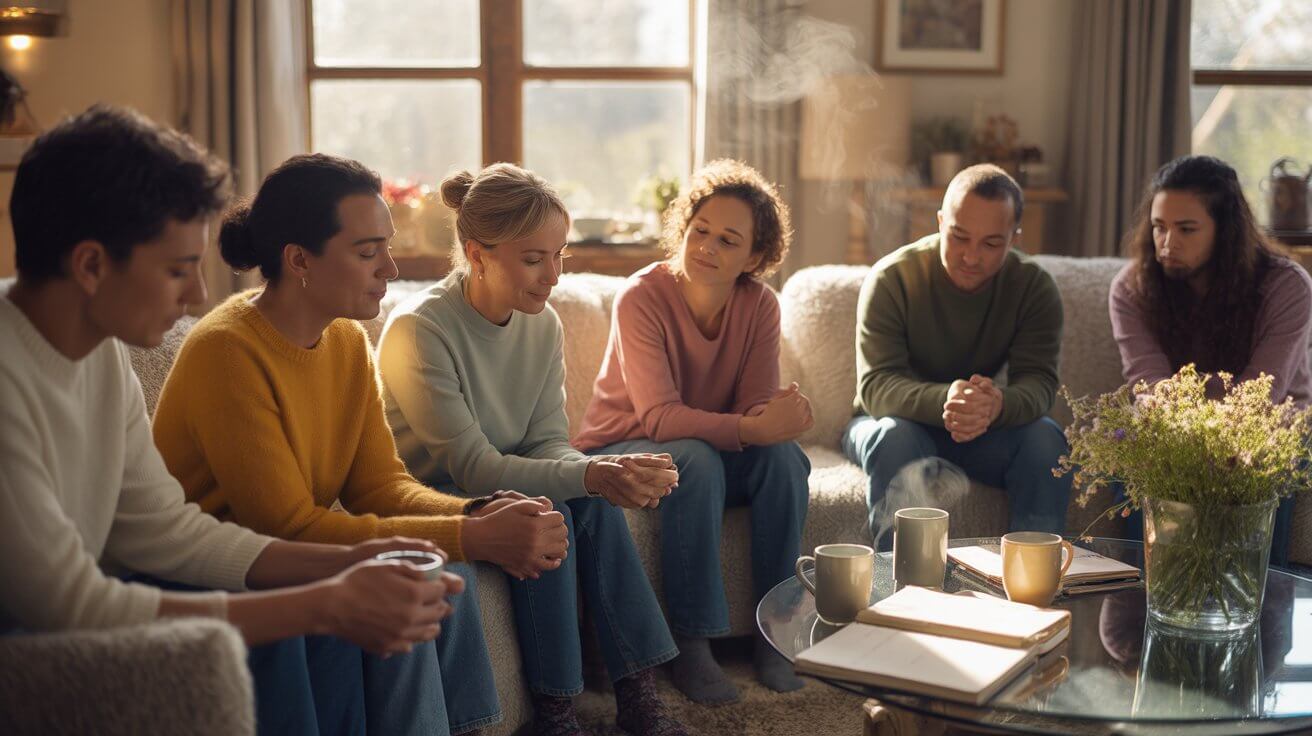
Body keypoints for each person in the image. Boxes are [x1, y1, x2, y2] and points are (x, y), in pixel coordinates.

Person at [0, 104, 462, 736]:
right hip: (29, 640)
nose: (195, 296)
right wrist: (323, 602)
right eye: (176, 269)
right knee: (298, 623)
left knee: (322, 610)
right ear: (90, 265)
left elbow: (164, 529)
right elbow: (70, 604)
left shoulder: (100, 352)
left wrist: (352, 562)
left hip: (89, 600)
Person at [151, 153, 532, 735]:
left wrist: (474, 512)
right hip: (224, 568)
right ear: (299, 260)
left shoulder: (347, 341)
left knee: (432, 572)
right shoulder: (227, 352)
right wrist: (465, 534)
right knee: (420, 570)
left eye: (386, 245)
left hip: (292, 555)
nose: (391, 267)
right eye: (367, 251)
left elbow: (380, 486)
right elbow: (286, 528)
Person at [376, 163, 688, 736]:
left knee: (587, 500)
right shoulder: (419, 329)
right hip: (441, 497)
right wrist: (589, 476)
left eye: (559, 255)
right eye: (533, 258)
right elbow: (471, 466)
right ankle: (556, 711)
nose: (554, 277)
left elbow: (548, 440)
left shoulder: (542, 325)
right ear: (477, 253)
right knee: (552, 504)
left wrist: (603, 470)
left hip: (505, 479)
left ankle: (636, 692)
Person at [572, 159, 811, 704]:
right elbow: (658, 417)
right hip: (622, 445)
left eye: (728, 240)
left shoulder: (760, 306)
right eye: (700, 230)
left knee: (786, 459)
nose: (706, 246)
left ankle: (776, 633)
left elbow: (753, 408)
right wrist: (756, 425)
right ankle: (692, 643)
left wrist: (779, 421)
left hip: (703, 448)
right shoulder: (641, 297)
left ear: (754, 257)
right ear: (683, 228)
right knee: (696, 458)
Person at [843, 164, 1072, 548]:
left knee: (1046, 440)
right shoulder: (892, 279)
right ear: (939, 221)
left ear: (1015, 237)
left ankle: (1032, 590)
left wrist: (996, 405)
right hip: (892, 422)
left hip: (981, 431)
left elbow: (1040, 385)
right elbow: (876, 388)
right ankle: (901, 595)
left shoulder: (1033, 287)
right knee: (895, 436)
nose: (970, 256)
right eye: (959, 236)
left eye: (991, 243)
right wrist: (946, 399)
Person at [1109, 154, 1312, 567]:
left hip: (1269, 426)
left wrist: (1192, 407)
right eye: (1159, 227)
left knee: (1264, 460)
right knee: (1132, 449)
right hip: (1171, 427)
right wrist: (1180, 425)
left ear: (1225, 231)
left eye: (1186, 229)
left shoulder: (1286, 286)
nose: (1167, 243)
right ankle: (1144, 602)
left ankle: (1257, 604)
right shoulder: (1131, 289)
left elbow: (1261, 395)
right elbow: (1149, 385)